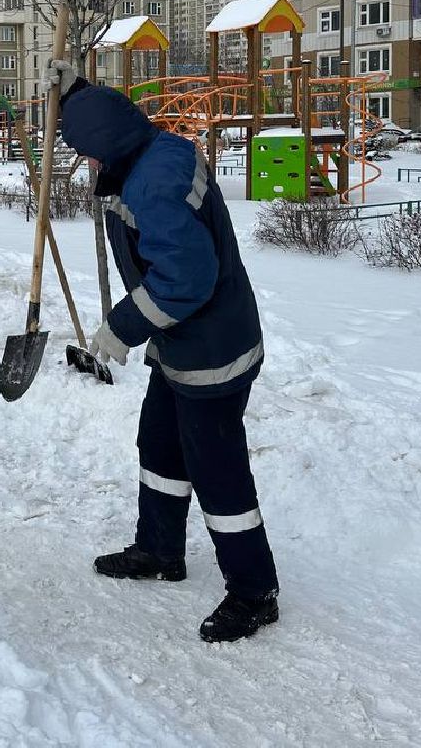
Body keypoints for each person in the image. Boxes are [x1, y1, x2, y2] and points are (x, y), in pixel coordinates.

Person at [47, 61, 280, 644]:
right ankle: (159, 549)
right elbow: (112, 121)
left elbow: (185, 278)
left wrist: (121, 328)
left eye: (88, 153)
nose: (88, 165)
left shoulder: (151, 186)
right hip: (183, 341)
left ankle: (254, 591)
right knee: (159, 443)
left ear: (108, 146)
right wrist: (75, 91)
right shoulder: (153, 146)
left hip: (211, 349)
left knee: (217, 469)